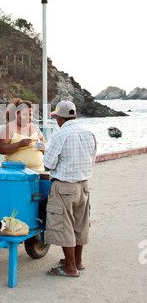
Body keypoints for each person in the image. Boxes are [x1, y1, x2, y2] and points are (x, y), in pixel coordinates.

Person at [43, 100, 97, 277]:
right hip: (84, 186)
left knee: (64, 225)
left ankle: (70, 268)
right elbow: (92, 160)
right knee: (80, 224)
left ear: (59, 118)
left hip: (65, 187)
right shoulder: (89, 133)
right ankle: (77, 261)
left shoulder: (59, 135)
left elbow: (48, 165)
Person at [0, 98, 46, 172]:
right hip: (17, 174)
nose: (28, 117)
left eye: (30, 115)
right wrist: (19, 144)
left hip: (38, 171)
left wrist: (42, 146)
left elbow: (45, 145)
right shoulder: (8, 128)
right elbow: (0, 148)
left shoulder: (35, 128)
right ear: (16, 114)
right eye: (25, 114)